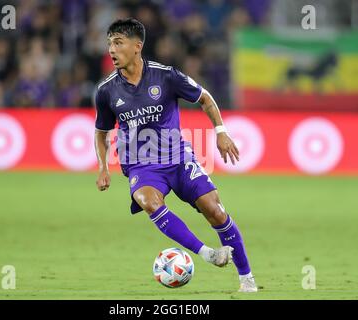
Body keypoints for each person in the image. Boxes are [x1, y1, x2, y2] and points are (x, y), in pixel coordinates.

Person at [94, 18, 257, 292]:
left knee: (214, 211)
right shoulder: (106, 90)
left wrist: (220, 131)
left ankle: (247, 279)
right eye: (109, 43)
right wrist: (103, 167)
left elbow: (204, 97)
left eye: (118, 42)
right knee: (148, 201)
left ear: (137, 46)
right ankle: (207, 253)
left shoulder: (166, 76)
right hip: (141, 166)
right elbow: (101, 131)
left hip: (178, 158)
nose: (111, 49)